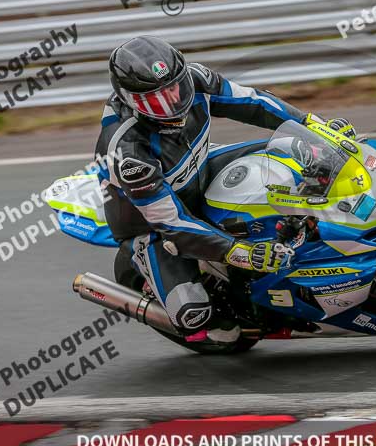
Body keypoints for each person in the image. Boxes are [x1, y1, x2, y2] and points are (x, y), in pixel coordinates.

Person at [94, 36, 354, 344]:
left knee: (297, 149)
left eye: (174, 89)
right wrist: (241, 253)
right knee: (194, 316)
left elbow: (255, 103)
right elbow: (172, 222)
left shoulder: (196, 79)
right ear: (128, 99)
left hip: (201, 166)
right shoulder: (128, 152)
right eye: (155, 100)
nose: (172, 104)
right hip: (152, 225)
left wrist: (313, 125)